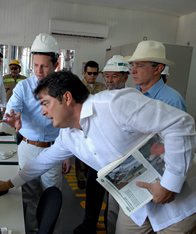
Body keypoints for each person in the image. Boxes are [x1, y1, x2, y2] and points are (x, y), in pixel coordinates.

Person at [0, 70, 196, 234]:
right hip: (137, 203)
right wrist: (9, 184)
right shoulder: (69, 136)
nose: (42, 112)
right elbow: (42, 161)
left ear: (67, 98)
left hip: (178, 200)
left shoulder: (113, 105)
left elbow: (181, 124)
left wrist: (169, 184)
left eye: (45, 103)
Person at [0, 33, 71, 234]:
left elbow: (68, 123)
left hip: (53, 150)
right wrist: (11, 118)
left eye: (44, 66)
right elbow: (11, 108)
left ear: (55, 64)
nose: (39, 70)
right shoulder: (23, 86)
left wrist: (68, 155)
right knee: (28, 197)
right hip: (28, 147)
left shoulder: (64, 89)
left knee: (52, 197)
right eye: (36, 64)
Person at [74, 55, 130, 234]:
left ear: (125, 78)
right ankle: (89, 225)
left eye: (115, 76)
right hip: (98, 157)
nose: (110, 80)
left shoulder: (131, 100)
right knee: (93, 194)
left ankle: (109, 228)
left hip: (121, 160)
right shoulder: (100, 97)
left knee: (115, 201)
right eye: (107, 76)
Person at [123, 40, 187, 112]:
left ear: (158, 69)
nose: (132, 71)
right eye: (132, 66)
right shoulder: (133, 93)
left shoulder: (172, 101)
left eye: (139, 66)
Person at [75, 61, 107, 190]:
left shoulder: (102, 87)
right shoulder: (78, 86)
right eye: (89, 73)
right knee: (81, 152)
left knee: (95, 150)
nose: (92, 76)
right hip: (81, 122)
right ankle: (81, 178)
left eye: (95, 73)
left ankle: (92, 176)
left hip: (97, 123)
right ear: (84, 73)